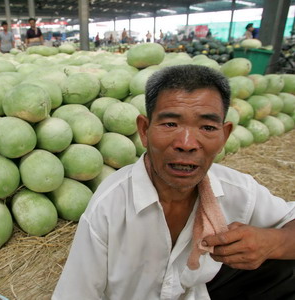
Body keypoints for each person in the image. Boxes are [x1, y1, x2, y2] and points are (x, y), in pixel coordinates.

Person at [52, 65, 295, 300]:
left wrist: (272, 243)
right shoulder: (109, 206)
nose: (187, 143)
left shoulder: (238, 190)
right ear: (144, 130)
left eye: (207, 127)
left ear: (224, 136)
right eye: (170, 124)